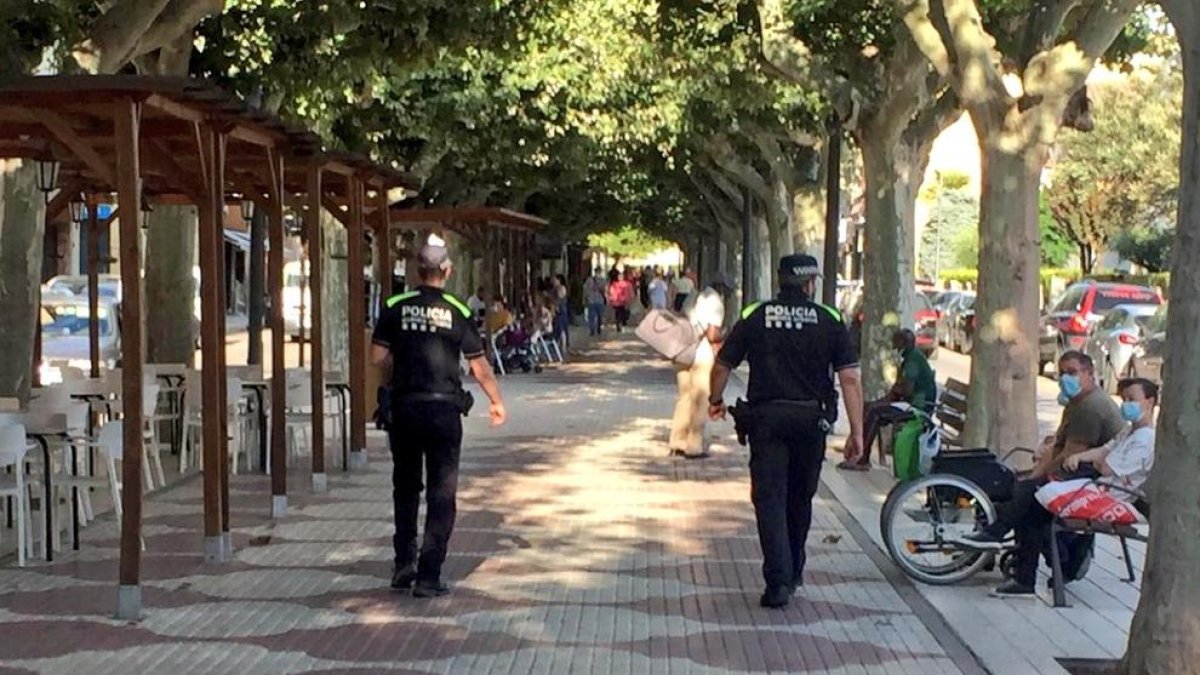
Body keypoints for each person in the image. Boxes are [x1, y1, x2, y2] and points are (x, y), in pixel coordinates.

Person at [709, 254, 864, 609]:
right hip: (812, 423)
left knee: (769, 499)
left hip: (767, 421)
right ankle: (793, 570)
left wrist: (715, 399)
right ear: (810, 284)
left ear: (781, 281)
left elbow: (722, 366)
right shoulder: (829, 318)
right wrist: (857, 432)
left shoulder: (755, 314)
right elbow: (850, 379)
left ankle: (778, 581)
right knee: (800, 498)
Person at [371, 243, 507, 598]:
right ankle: (429, 575)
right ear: (446, 272)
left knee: (405, 486)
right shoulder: (458, 309)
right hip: (444, 410)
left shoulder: (394, 307)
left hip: (405, 407)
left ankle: (403, 563)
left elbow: (376, 356)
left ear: (418, 272)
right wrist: (496, 400)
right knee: (441, 493)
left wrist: (397, 371)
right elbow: (478, 365)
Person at [959, 377, 1157, 598]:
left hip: (1108, 496)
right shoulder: (1128, 432)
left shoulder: (1145, 440)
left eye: (1132, 399)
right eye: (1124, 399)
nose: (1126, 404)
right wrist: (1084, 456)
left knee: (1031, 497)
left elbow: (1106, 467)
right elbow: (1102, 452)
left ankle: (1013, 548)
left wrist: (1095, 458)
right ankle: (1031, 569)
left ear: (1149, 402)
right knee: (1031, 503)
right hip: (1094, 486)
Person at [838, 329, 937, 470]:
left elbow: (906, 390)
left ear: (903, 342)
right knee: (869, 408)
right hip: (908, 403)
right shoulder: (907, 358)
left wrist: (895, 391)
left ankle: (863, 459)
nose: (893, 345)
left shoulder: (913, 359)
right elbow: (897, 390)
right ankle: (857, 450)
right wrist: (880, 401)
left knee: (876, 414)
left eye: (895, 341)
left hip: (917, 407)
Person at [668, 275, 732, 459]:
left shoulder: (693, 296)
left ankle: (677, 441)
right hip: (700, 351)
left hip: (680, 350)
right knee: (701, 399)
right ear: (722, 289)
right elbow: (712, 335)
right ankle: (694, 446)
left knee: (684, 397)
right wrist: (726, 335)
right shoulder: (715, 303)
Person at [584, 268, 607, 337]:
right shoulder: (602, 280)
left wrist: (585, 298)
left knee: (594, 316)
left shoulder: (590, 280)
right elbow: (605, 290)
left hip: (594, 300)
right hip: (598, 301)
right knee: (596, 316)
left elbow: (585, 290)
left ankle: (594, 329)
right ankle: (595, 329)